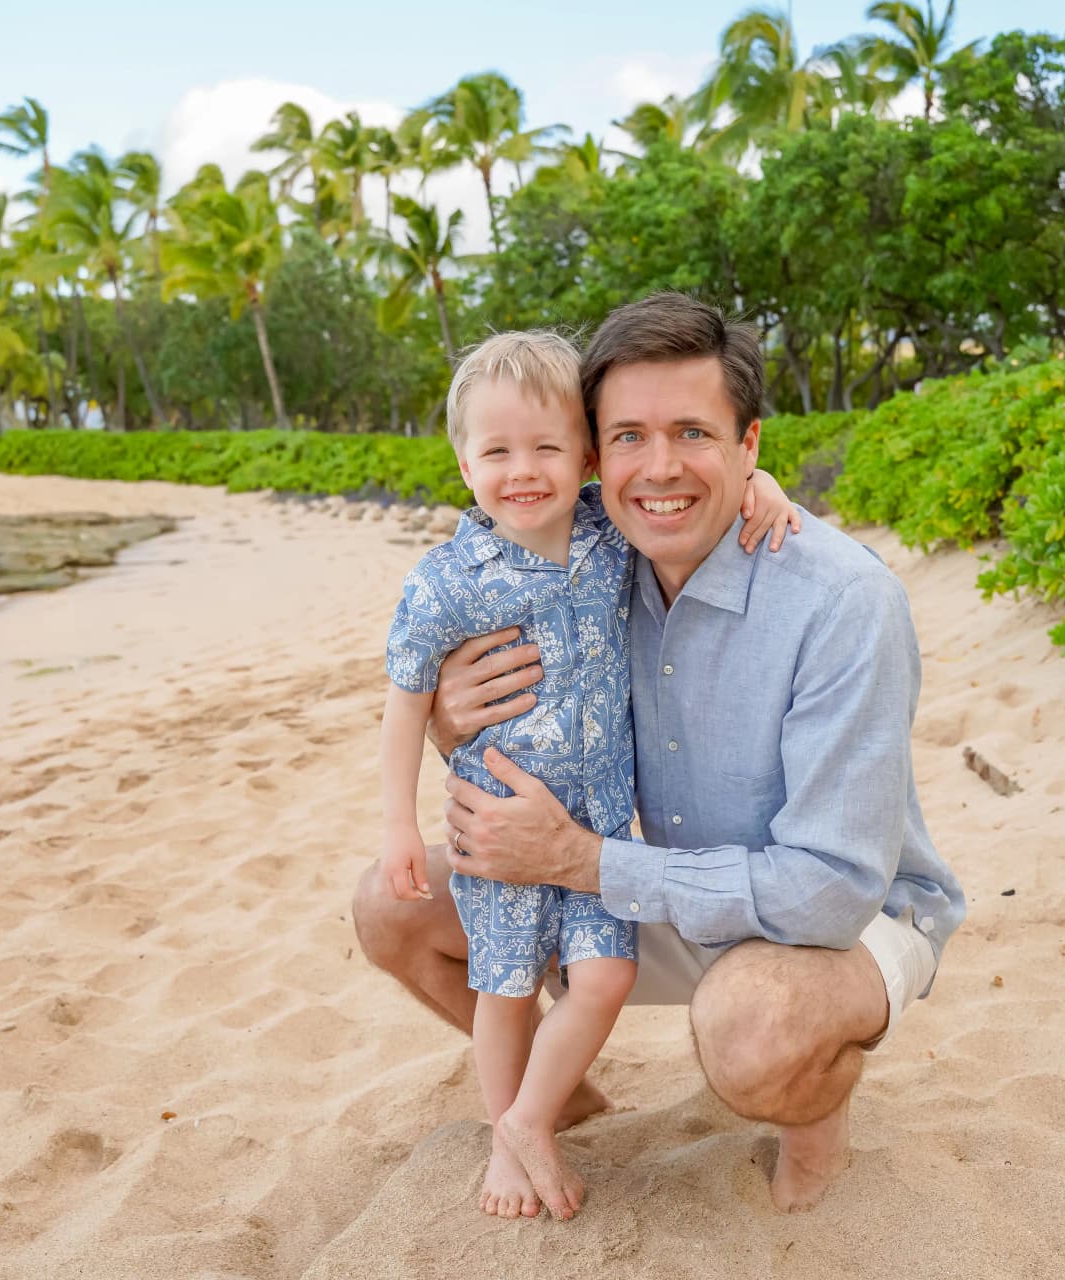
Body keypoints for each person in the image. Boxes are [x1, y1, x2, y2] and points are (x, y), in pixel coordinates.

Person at [357, 292, 964, 1214]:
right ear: (597, 456)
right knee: (390, 909)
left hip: (848, 913)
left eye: (694, 433)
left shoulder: (842, 602)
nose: (661, 467)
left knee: (751, 1027)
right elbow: (500, 636)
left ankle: (815, 1139)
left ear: (749, 444)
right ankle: (560, 1102)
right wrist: (448, 715)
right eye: (631, 437)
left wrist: (588, 861)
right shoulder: (605, 554)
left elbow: (830, 890)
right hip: (664, 880)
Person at [377, 329, 800, 1221]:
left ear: (583, 455)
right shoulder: (448, 581)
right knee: (504, 984)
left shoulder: (610, 533)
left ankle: (528, 1117)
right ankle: (511, 1135)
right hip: (495, 822)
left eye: (547, 447)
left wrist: (758, 480)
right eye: (496, 452)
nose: (523, 471)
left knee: (600, 977)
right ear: (463, 463)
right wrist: (392, 826)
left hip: (599, 831)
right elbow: (406, 697)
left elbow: (687, 490)